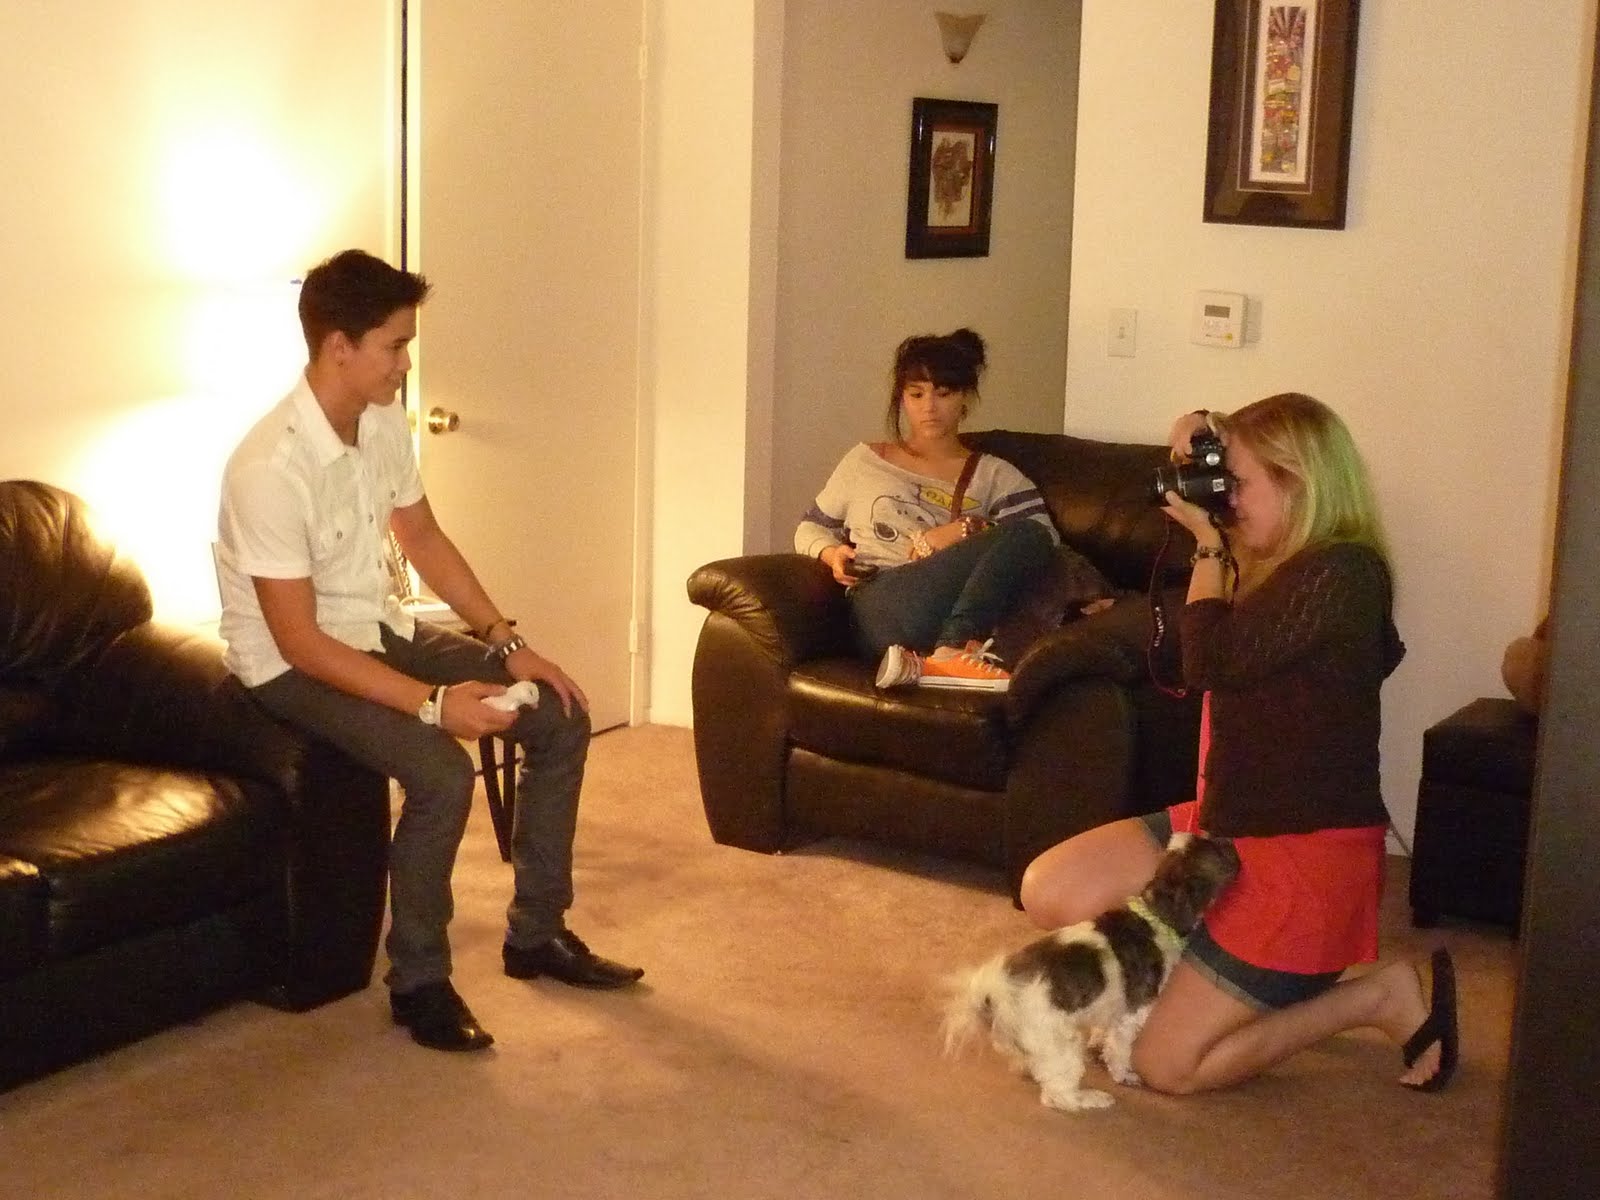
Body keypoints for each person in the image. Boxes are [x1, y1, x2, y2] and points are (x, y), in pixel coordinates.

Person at [215, 249, 642, 1055]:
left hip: (376, 626)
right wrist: (434, 705)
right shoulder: (268, 469)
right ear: (339, 346)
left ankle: (538, 933)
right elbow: (300, 640)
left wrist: (506, 641)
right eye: (395, 346)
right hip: (291, 664)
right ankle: (418, 981)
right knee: (441, 772)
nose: (406, 365)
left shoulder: (379, 422)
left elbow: (422, 536)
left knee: (559, 715)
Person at [1018, 392, 1459, 1095]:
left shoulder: (1343, 572)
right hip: (1223, 827)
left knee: (1167, 1066)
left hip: (1301, 856)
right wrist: (1206, 450)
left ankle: (1376, 997)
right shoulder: (1276, 562)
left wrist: (1207, 544)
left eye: (1240, 483)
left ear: (1299, 483)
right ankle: (1203, 971)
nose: (1228, 499)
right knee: (1051, 888)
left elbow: (1209, 659)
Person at [794, 328, 1058, 692]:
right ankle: (951, 652)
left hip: (947, 607)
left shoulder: (995, 475)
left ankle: (937, 656)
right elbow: (809, 527)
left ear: (965, 398)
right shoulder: (865, 461)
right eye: (916, 394)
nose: (929, 407)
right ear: (902, 399)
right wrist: (831, 554)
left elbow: (1041, 540)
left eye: (943, 393)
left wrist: (965, 529)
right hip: (879, 603)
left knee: (1030, 533)